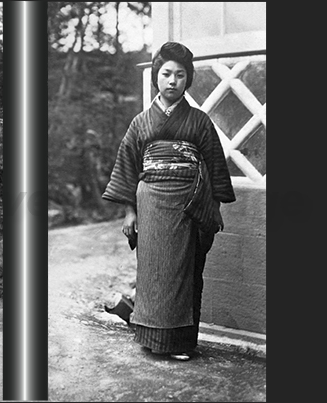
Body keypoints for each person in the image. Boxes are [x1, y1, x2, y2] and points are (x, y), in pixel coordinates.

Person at [102, 42, 236, 361]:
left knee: (184, 274)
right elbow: (127, 168)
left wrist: (213, 208)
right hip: (150, 202)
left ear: (188, 79)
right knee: (153, 273)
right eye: (166, 74)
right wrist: (129, 212)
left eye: (180, 74)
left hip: (189, 203)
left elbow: (215, 165)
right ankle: (149, 337)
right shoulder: (141, 123)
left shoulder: (200, 121)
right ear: (156, 77)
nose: (172, 80)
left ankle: (181, 343)